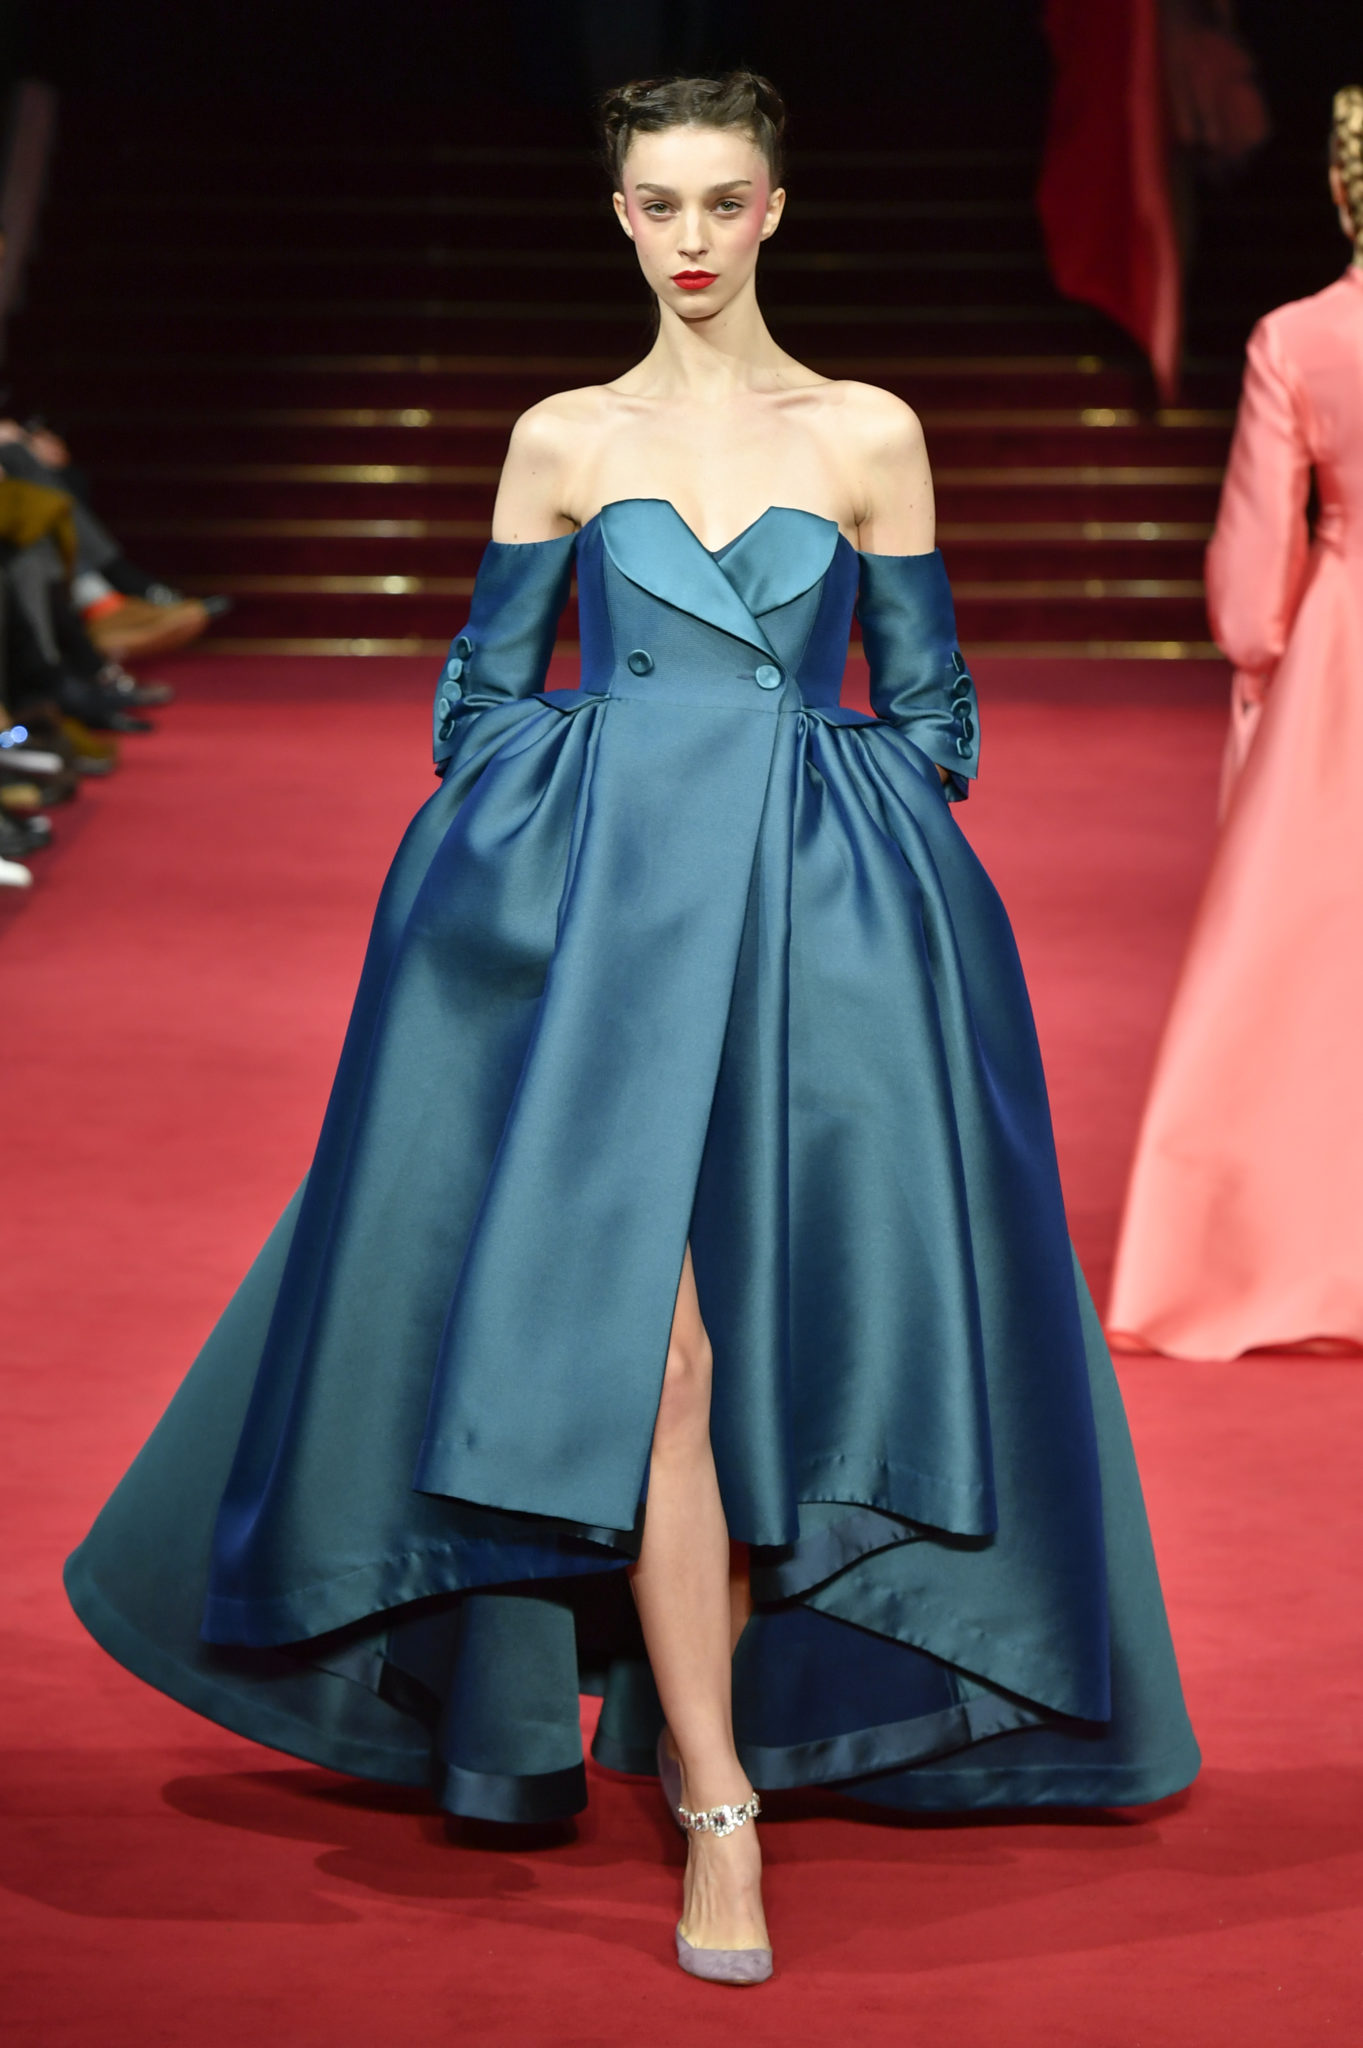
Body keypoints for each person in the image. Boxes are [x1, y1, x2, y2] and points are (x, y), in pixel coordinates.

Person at [64, 73, 1198, 1987]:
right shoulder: (563, 437)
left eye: (721, 200)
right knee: (655, 1363)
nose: (688, 237)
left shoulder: (865, 433)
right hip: (601, 955)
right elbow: (476, 703)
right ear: (616, 216)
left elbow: (934, 721)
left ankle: (701, 1725)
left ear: (774, 212)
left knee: (764, 1365)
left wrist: (802, 828)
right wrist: (601, 812)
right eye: (656, 202)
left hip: (807, 955)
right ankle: (717, 1802)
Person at [1107, 87, 1363, 1362]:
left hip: (1344, 661)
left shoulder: (1297, 338)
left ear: (1341, 189)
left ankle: (1283, 1248)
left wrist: (1268, 665)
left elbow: (1253, 589)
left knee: (1310, 960)